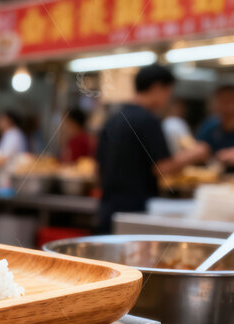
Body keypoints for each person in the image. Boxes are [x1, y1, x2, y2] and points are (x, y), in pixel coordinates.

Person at [95, 64, 209, 233]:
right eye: (168, 92)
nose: (168, 99)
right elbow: (162, 168)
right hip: (137, 210)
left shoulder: (114, 118)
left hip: (108, 207)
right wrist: (195, 153)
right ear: (157, 88)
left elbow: (98, 166)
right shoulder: (148, 120)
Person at [197, 85, 234, 173]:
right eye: (223, 102)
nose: (229, 107)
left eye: (231, 101)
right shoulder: (210, 126)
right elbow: (200, 150)